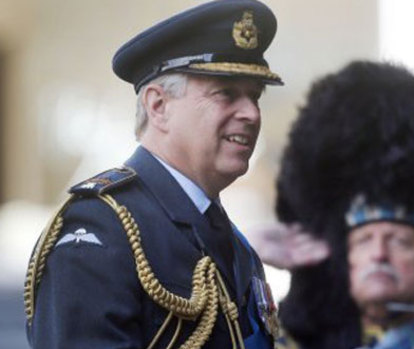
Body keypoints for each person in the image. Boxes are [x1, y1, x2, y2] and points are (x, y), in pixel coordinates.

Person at [23, 0, 282, 348]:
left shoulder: (231, 239)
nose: (251, 113)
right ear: (158, 106)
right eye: (226, 94)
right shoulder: (101, 229)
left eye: (255, 96)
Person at [255, 61, 414, 349]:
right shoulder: (282, 340)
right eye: (364, 241)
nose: (379, 254)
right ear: (345, 256)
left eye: (401, 242)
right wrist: (241, 253)